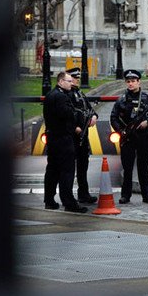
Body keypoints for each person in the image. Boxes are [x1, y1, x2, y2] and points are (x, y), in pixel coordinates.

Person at [110, 69, 148, 204]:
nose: (131, 84)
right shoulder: (121, 100)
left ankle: (146, 194)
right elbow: (113, 117)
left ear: (139, 82)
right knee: (127, 168)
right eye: (128, 81)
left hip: (143, 137)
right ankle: (125, 195)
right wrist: (121, 131)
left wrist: (147, 122)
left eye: (133, 81)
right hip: (127, 138)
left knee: (143, 167)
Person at [43, 72, 87, 213]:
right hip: (63, 138)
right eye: (69, 81)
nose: (72, 83)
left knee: (52, 170)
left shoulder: (50, 95)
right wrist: (77, 116)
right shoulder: (62, 97)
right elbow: (68, 114)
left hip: (52, 137)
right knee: (67, 171)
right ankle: (69, 202)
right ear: (61, 81)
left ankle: (49, 200)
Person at [66, 67, 98, 204]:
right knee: (69, 168)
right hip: (72, 136)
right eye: (74, 78)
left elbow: (90, 109)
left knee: (83, 166)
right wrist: (75, 127)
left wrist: (95, 116)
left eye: (78, 78)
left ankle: (83, 193)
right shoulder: (66, 95)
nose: (77, 81)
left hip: (83, 135)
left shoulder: (80, 93)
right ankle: (68, 196)